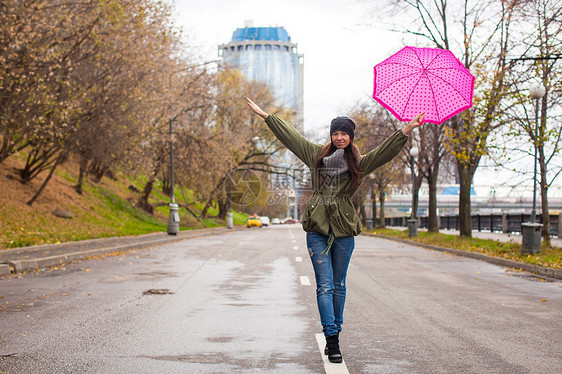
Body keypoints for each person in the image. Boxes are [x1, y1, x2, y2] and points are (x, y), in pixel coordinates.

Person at [247, 97, 425, 363]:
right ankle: (331, 339)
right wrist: (266, 116)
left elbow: (384, 152)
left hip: (343, 230)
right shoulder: (315, 155)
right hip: (317, 228)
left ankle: (336, 332)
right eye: (336, 132)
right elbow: (291, 137)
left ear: (351, 137)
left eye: (344, 133)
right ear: (331, 135)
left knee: (339, 285)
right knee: (324, 286)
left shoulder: (359, 163)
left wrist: (407, 129)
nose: (339, 137)